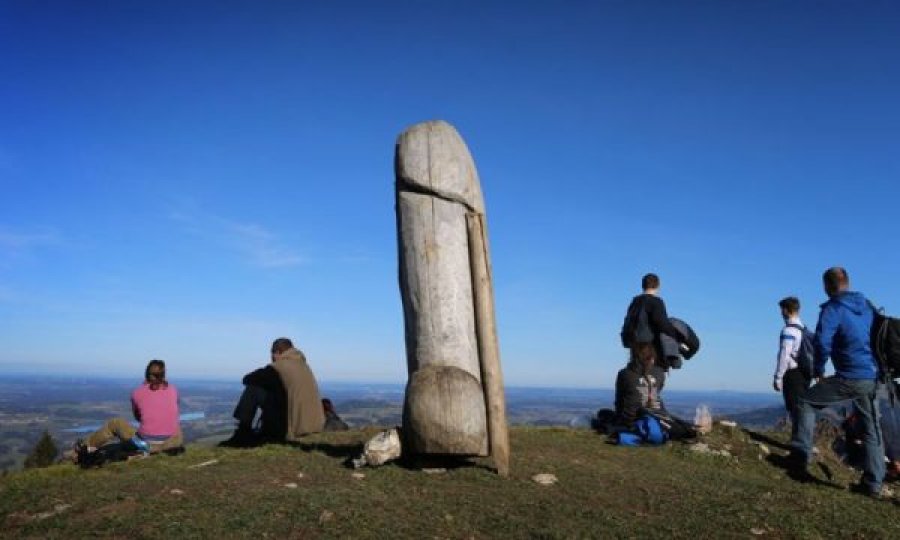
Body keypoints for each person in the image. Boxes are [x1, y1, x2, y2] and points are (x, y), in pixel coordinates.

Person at [789, 267, 885, 498]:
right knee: (872, 429)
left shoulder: (833, 309)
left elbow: (822, 342)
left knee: (806, 403)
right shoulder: (867, 307)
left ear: (827, 286)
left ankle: (799, 460)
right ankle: (873, 485)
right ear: (847, 283)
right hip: (871, 376)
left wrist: (819, 369)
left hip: (849, 376)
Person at [221, 337, 326, 447]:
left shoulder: (279, 367)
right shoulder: (303, 365)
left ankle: (243, 431)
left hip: (293, 428)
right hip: (314, 425)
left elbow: (248, 379)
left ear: (277, 352)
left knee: (253, 388)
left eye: (272, 354)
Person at [73, 359, 182, 462]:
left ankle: (85, 447)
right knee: (175, 424)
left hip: (147, 443)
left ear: (146, 373)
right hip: (171, 442)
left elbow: (138, 417)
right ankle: (157, 450)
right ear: (163, 374)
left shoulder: (137, 393)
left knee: (115, 423)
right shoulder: (173, 389)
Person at [620, 273, 688, 371]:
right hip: (648, 345)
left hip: (633, 343)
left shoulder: (635, 302)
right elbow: (663, 324)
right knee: (653, 372)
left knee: (638, 369)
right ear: (658, 286)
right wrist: (679, 338)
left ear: (643, 285)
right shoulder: (656, 301)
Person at [773, 297, 811, 424]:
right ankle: (802, 438)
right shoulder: (805, 330)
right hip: (805, 372)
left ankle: (799, 440)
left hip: (792, 374)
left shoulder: (788, 331)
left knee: (794, 408)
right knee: (802, 407)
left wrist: (778, 377)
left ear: (786, 310)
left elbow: (784, 355)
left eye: (781, 310)